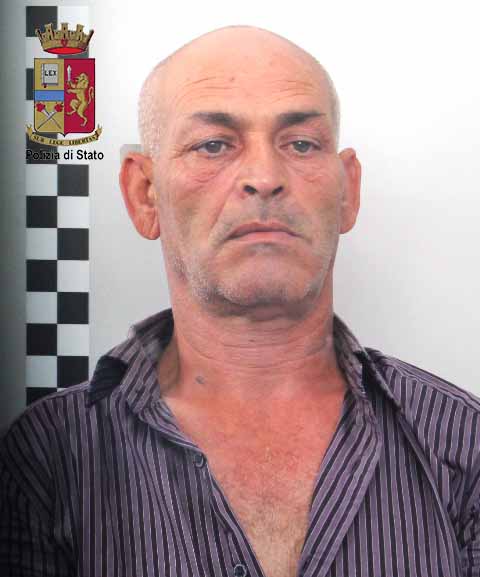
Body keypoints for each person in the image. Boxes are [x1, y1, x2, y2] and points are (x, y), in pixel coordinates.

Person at [1, 25, 479, 577]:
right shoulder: (47, 457)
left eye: (301, 144)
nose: (264, 177)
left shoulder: (463, 444)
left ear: (348, 190)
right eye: (213, 145)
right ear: (145, 194)